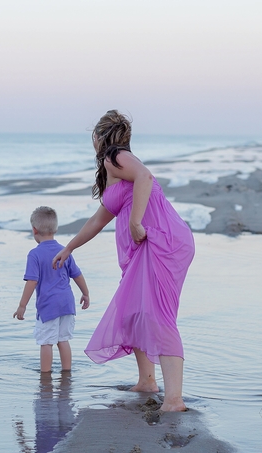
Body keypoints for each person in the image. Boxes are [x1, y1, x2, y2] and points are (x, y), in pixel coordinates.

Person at [53, 110, 195, 412]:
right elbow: (97, 220)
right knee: (134, 311)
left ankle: (174, 400)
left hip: (159, 241)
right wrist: (70, 247)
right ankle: (147, 381)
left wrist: (135, 222)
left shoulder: (115, 157)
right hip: (144, 248)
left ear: (101, 136)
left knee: (157, 315)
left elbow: (145, 176)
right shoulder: (113, 170)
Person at [14, 206, 90, 373]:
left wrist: (22, 305)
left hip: (48, 305)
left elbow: (32, 281)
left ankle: (46, 375)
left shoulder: (35, 254)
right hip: (67, 304)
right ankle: (67, 372)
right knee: (63, 340)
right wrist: (85, 293)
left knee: (46, 342)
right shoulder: (65, 251)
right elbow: (77, 274)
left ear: (34, 230)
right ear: (55, 228)